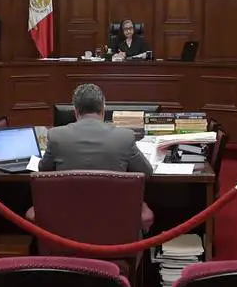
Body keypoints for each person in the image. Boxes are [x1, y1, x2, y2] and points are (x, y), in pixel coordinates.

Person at [39, 83, 153, 231]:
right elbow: (147, 173)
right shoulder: (125, 137)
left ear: (75, 111)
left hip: (67, 225)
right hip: (115, 226)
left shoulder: (56, 136)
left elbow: (43, 170)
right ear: (103, 109)